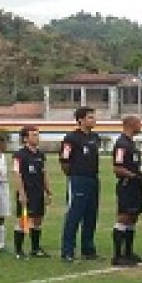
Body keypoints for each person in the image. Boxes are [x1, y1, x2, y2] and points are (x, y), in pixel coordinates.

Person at [59, 106, 102, 261]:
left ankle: (88, 249)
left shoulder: (95, 138)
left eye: (94, 116)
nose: (94, 120)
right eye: (90, 117)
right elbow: (64, 160)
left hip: (93, 179)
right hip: (78, 179)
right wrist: (73, 175)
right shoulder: (71, 138)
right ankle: (67, 250)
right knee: (74, 215)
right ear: (81, 120)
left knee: (91, 215)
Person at [111, 115, 142, 266]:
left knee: (133, 218)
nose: (141, 126)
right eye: (139, 123)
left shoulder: (131, 144)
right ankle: (117, 255)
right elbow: (118, 168)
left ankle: (128, 253)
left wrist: (141, 183)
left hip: (135, 186)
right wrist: (135, 177)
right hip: (127, 185)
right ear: (131, 124)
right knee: (124, 218)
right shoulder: (121, 144)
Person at [12, 125, 51, 259]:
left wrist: (48, 191)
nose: (37, 137)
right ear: (25, 138)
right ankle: (18, 250)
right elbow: (17, 174)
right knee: (24, 220)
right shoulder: (19, 155)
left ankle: (35, 248)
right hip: (27, 191)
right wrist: (21, 193)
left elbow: (44, 172)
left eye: (37, 134)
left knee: (38, 219)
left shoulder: (40, 154)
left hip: (38, 191)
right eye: (33, 135)